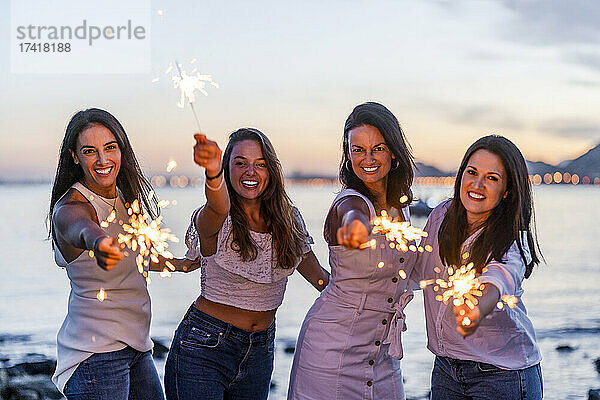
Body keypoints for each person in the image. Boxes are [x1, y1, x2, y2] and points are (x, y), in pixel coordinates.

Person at [164, 128, 329, 400]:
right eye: (240, 163)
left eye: (260, 164)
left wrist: (370, 298)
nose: (250, 172)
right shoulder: (216, 219)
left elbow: (321, 280)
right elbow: (217, 205)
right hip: (203, 348)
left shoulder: (288, 221)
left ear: (271, 171)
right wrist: (212, 172)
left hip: (260, 353)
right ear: (226, 168)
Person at [49, 108, 194, 399]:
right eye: (90, 151)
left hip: (137, 347)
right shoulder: (70, 207)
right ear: (74, 156)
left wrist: (181, 264)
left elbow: (134, 255)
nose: (103, 160)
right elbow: (82, 229)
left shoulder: (126, 198)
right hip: (94, 354)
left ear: (121, 148)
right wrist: (99, 244)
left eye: (110, 148)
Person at [288, 102, 416, 400]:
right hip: (330, 356)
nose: (367, 159)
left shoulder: (402, 208)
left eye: (378, 148)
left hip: (383, 358)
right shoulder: (349, 202)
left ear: (393, 151)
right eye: (357, 150)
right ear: (347, 154)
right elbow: (353, 214)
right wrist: (355, 230)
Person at [412, 135, 543, 399]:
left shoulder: (511, 239)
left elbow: (498, 279)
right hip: (446, 370)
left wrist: (474, 310)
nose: (477, 184)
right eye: (472, 172)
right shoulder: (440, 216)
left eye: (492, 178)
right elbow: (417, 271)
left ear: (507, 190)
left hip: (502, 376)